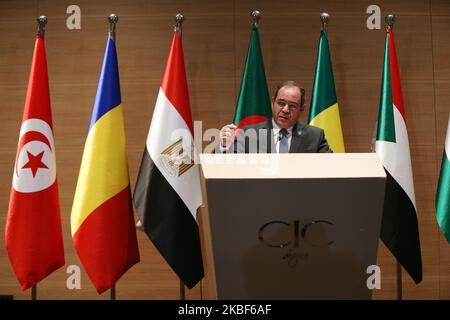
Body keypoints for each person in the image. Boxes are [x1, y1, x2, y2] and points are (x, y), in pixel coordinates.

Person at [218, 81, 333, 153]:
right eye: (281, 103)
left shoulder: (314, 136)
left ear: (302, 108)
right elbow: (227, 165)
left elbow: (333, 166)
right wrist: (224, 145)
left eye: (292, 106)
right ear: (273, 103)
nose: (285, 110)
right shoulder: (250, 133)